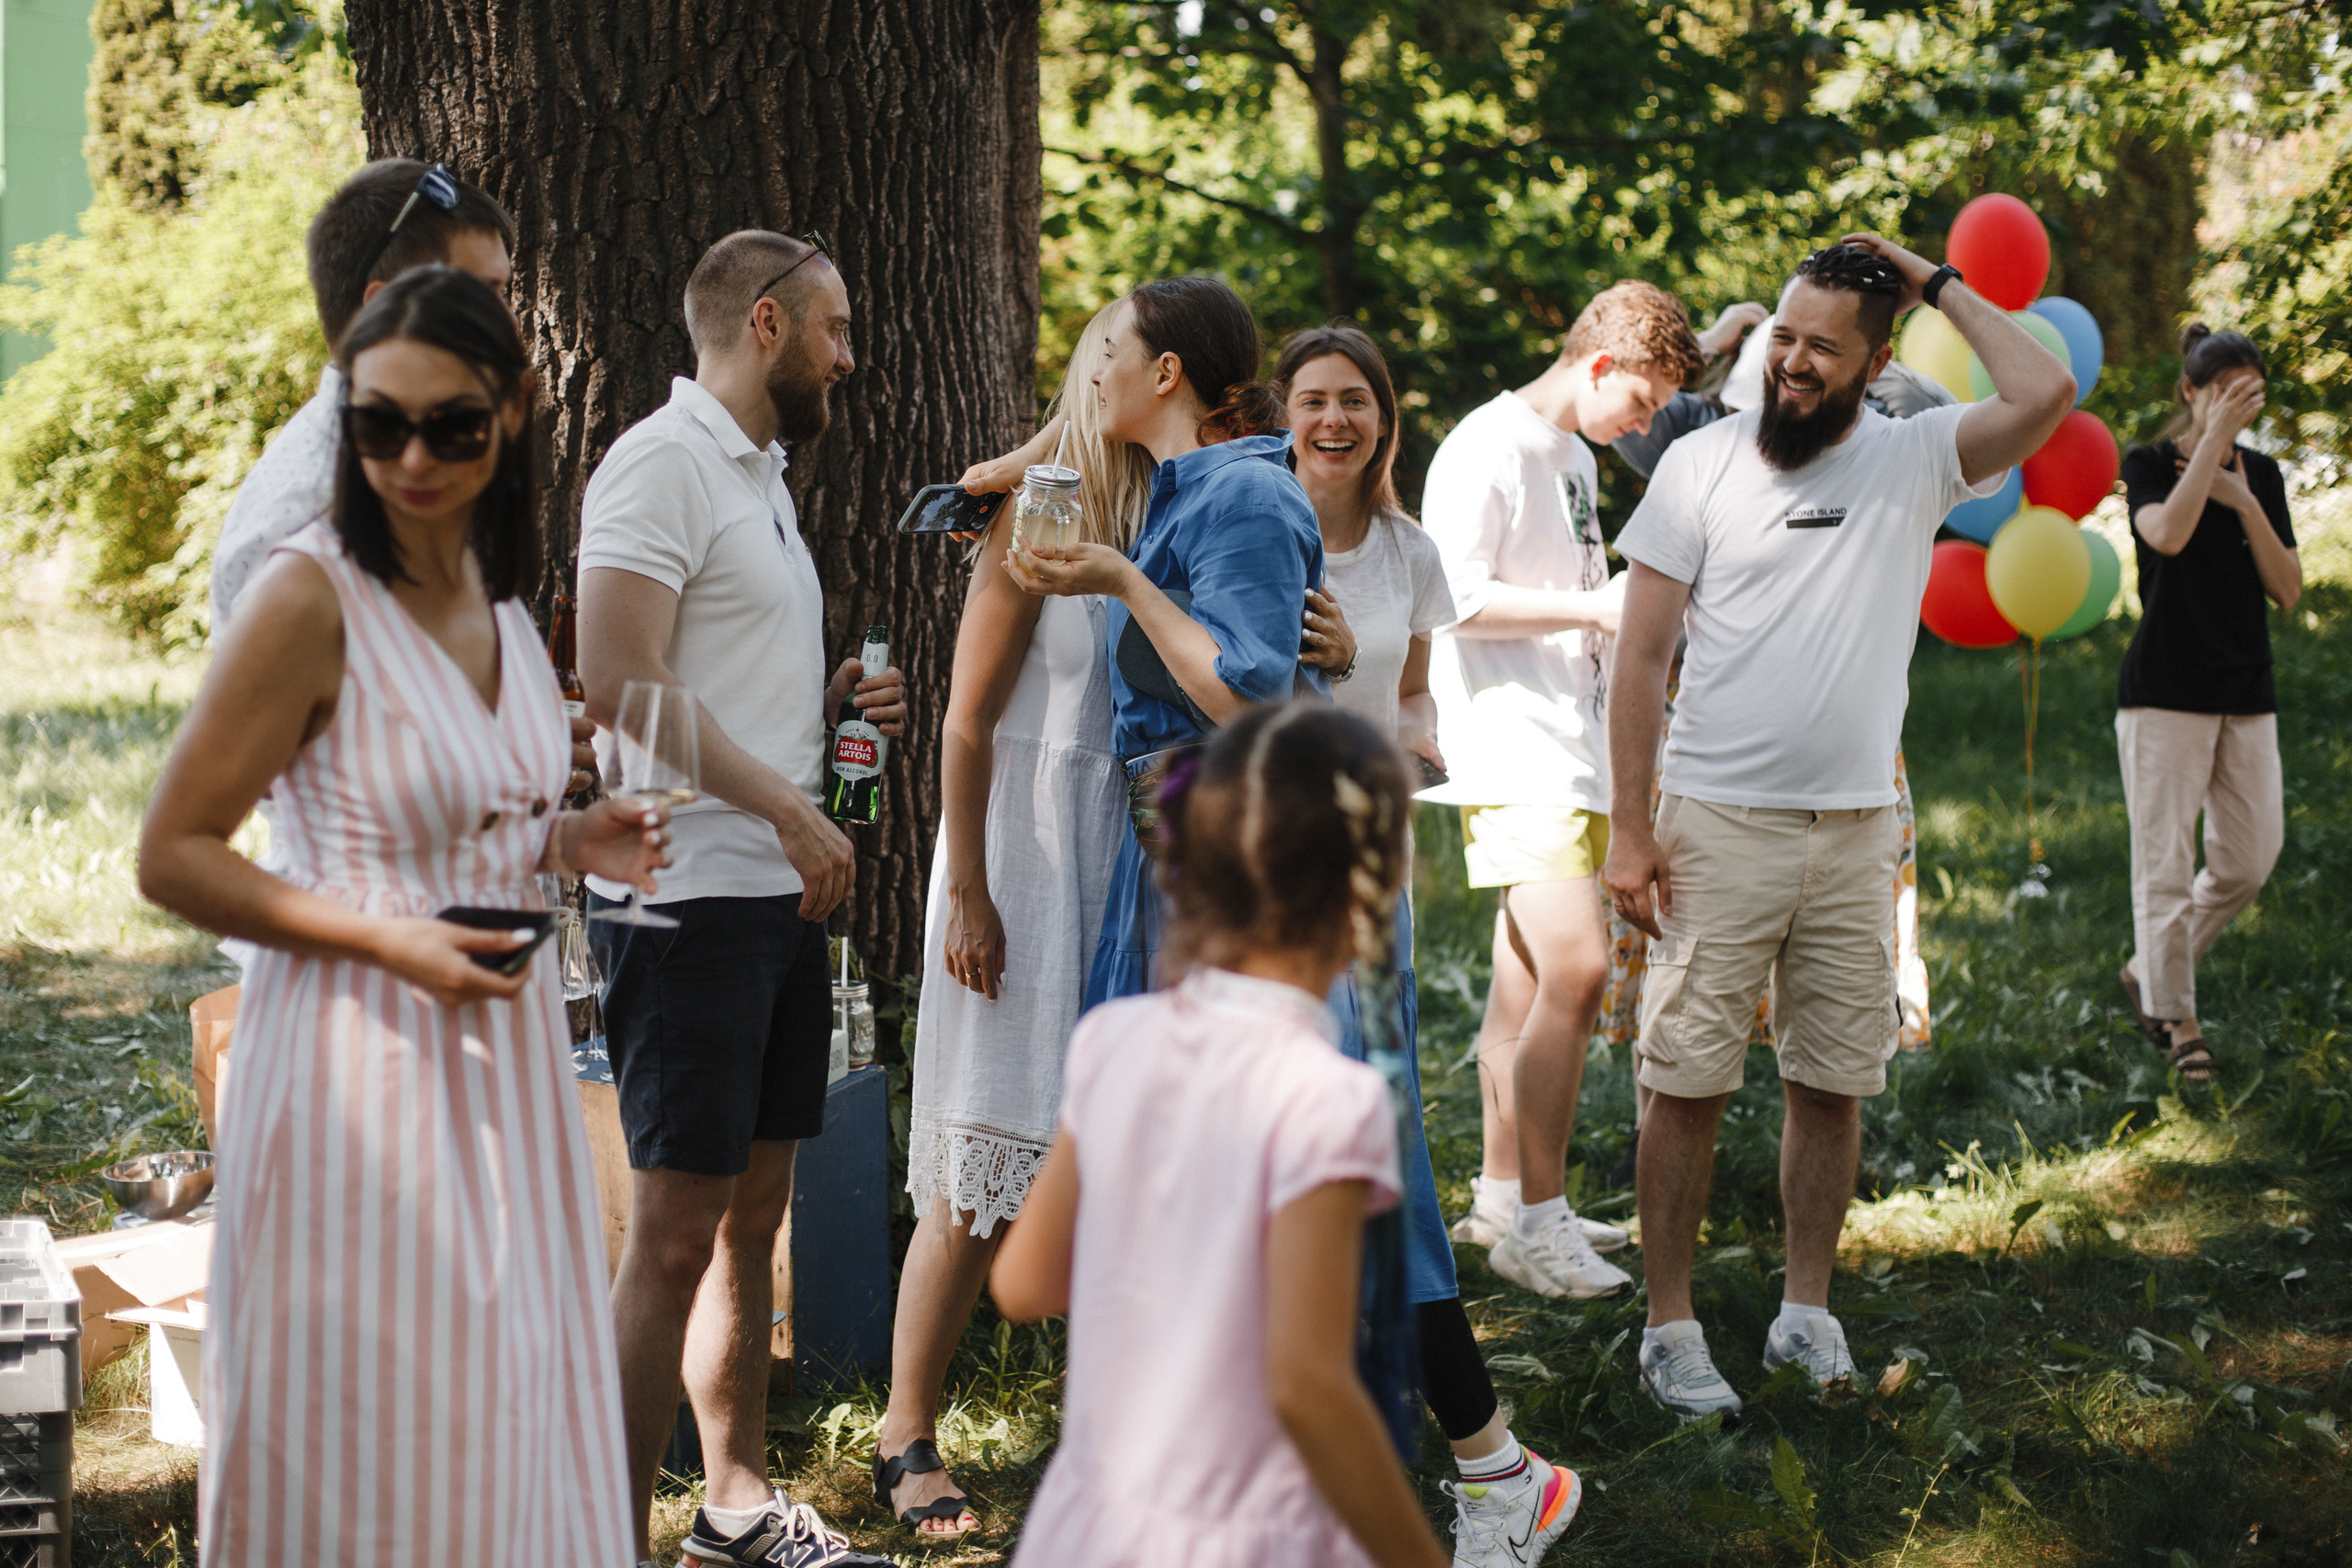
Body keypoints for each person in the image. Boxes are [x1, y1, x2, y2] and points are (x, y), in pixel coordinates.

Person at [136, 266, 667, 1567]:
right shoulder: (307, 595)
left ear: (517, 412)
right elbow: (173, 852)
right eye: (380, 425)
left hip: (505, 1060)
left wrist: (563, 835)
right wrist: (388, 937)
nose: (413, 458)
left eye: (451, 426)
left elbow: (438, 807)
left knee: (504, 1408)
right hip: (356, 1062)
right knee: (381, 1427)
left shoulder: (488, 591)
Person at [1603, 238, 2075, 1422]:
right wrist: (1628, 831)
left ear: (1872, 366)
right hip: (1714, 821)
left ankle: (1805, 1314)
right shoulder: (1701, 464)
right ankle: (1667, 1329)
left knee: (1831, 1079)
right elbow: (1639, 657)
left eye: (1823, 346)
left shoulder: (1918, 456)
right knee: (1687, 1080)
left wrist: (1934, 284)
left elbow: (2045, 394)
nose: (1794, 361)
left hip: (1860, 829)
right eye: (1785, 338)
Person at [992, 702, 1546, 1568]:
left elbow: (1025, 1282)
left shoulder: (1112, 1042)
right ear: (1369, 898)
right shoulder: (1333, 1100)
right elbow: (1308, 1386)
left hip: (1092, 1524)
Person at [576, 230, 906, 1568]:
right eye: (833, 327)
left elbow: (703, 680)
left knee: (754, 1219)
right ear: (765, 323)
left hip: (773, 897)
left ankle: (732, 1509)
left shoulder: (760, 476)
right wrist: (781, 801)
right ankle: (594, 1535)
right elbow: (615, 677)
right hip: (687, 895)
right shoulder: (661, 462)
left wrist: (822, 716)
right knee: (669, 1237)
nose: (849, 353)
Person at [1274, 325, 1577, 1564]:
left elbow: (1412, 701)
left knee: (1374, 1146)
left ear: (1384, 420)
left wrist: (1410, 732)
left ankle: (1479, 1457)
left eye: (1355, 400)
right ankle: (1411, 1441)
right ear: (1281, 413)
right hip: (1260, 888)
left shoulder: (1407, 553)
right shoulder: (1252, 528)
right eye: (1314, 399)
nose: (1334, 419)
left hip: (1357, 888)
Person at [868, 302, 1148, 1543]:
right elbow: (966, 721)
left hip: (1122, 861)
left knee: (1114, 1154)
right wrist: (970, 888)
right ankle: (903, 1426)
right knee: (983, 1162)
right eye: (1110, 351)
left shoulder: (1172, 507)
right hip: (1020, 855)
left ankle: (1118, 1430)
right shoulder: (1035, 508)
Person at [1424, 280, 1708, 1302]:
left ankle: (1503, 1194)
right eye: (1640, 400)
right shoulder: (1485, 447)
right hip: (1513, 750)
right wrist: (1594, 609)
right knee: (1579, 975)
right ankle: (1536, 1228)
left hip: (1573, 748)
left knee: (1524, 984)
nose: (1644, 423)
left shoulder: (1575, 457)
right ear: (1596, 365)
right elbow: (1447, 595)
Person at [1005, 276, 1322, 1006]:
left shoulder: (1246, 493)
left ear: (1167, 372)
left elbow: (1248, 701)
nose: (1093, 372)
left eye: (1110, 352)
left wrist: (1122, 579)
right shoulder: (1182, 493)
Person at [2113, 323, 2300, 1083]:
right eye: (2224, 394)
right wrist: (2207, 456)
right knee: (2165, 864)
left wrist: (2244, 498)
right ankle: (2180, 1021)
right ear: (2190, 390)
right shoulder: (2150, 463)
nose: (2237, 410)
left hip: (2246, 690)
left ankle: (2147, 972)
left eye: (2248, 396)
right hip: (2164, 693)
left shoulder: (2263, 473)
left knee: (2251, 860)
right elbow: (2166, 535)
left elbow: (2287, 590)